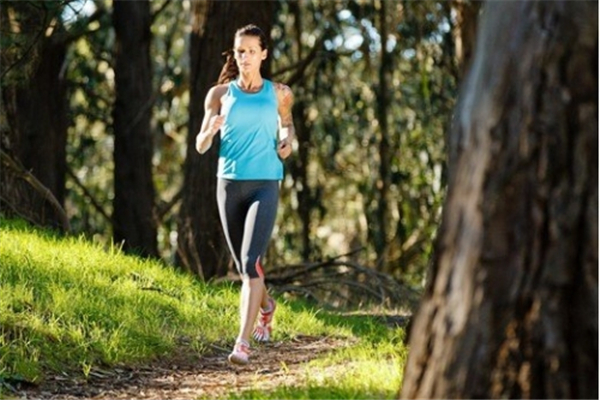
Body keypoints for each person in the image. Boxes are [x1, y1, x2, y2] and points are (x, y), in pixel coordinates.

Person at [195, 24, 295, 365]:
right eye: (240, 51)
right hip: (229, 184)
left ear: (263, 54)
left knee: (251, 262)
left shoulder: (280, 92)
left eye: (252, 51)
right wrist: (209, 132)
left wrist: (287, 141)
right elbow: (200, 145)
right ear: (234, 54)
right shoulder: (219, 95)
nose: (245, 57)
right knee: (243, 265)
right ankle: (267, 306)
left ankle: (242, 343)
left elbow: (287, 123)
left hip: (265, 182)